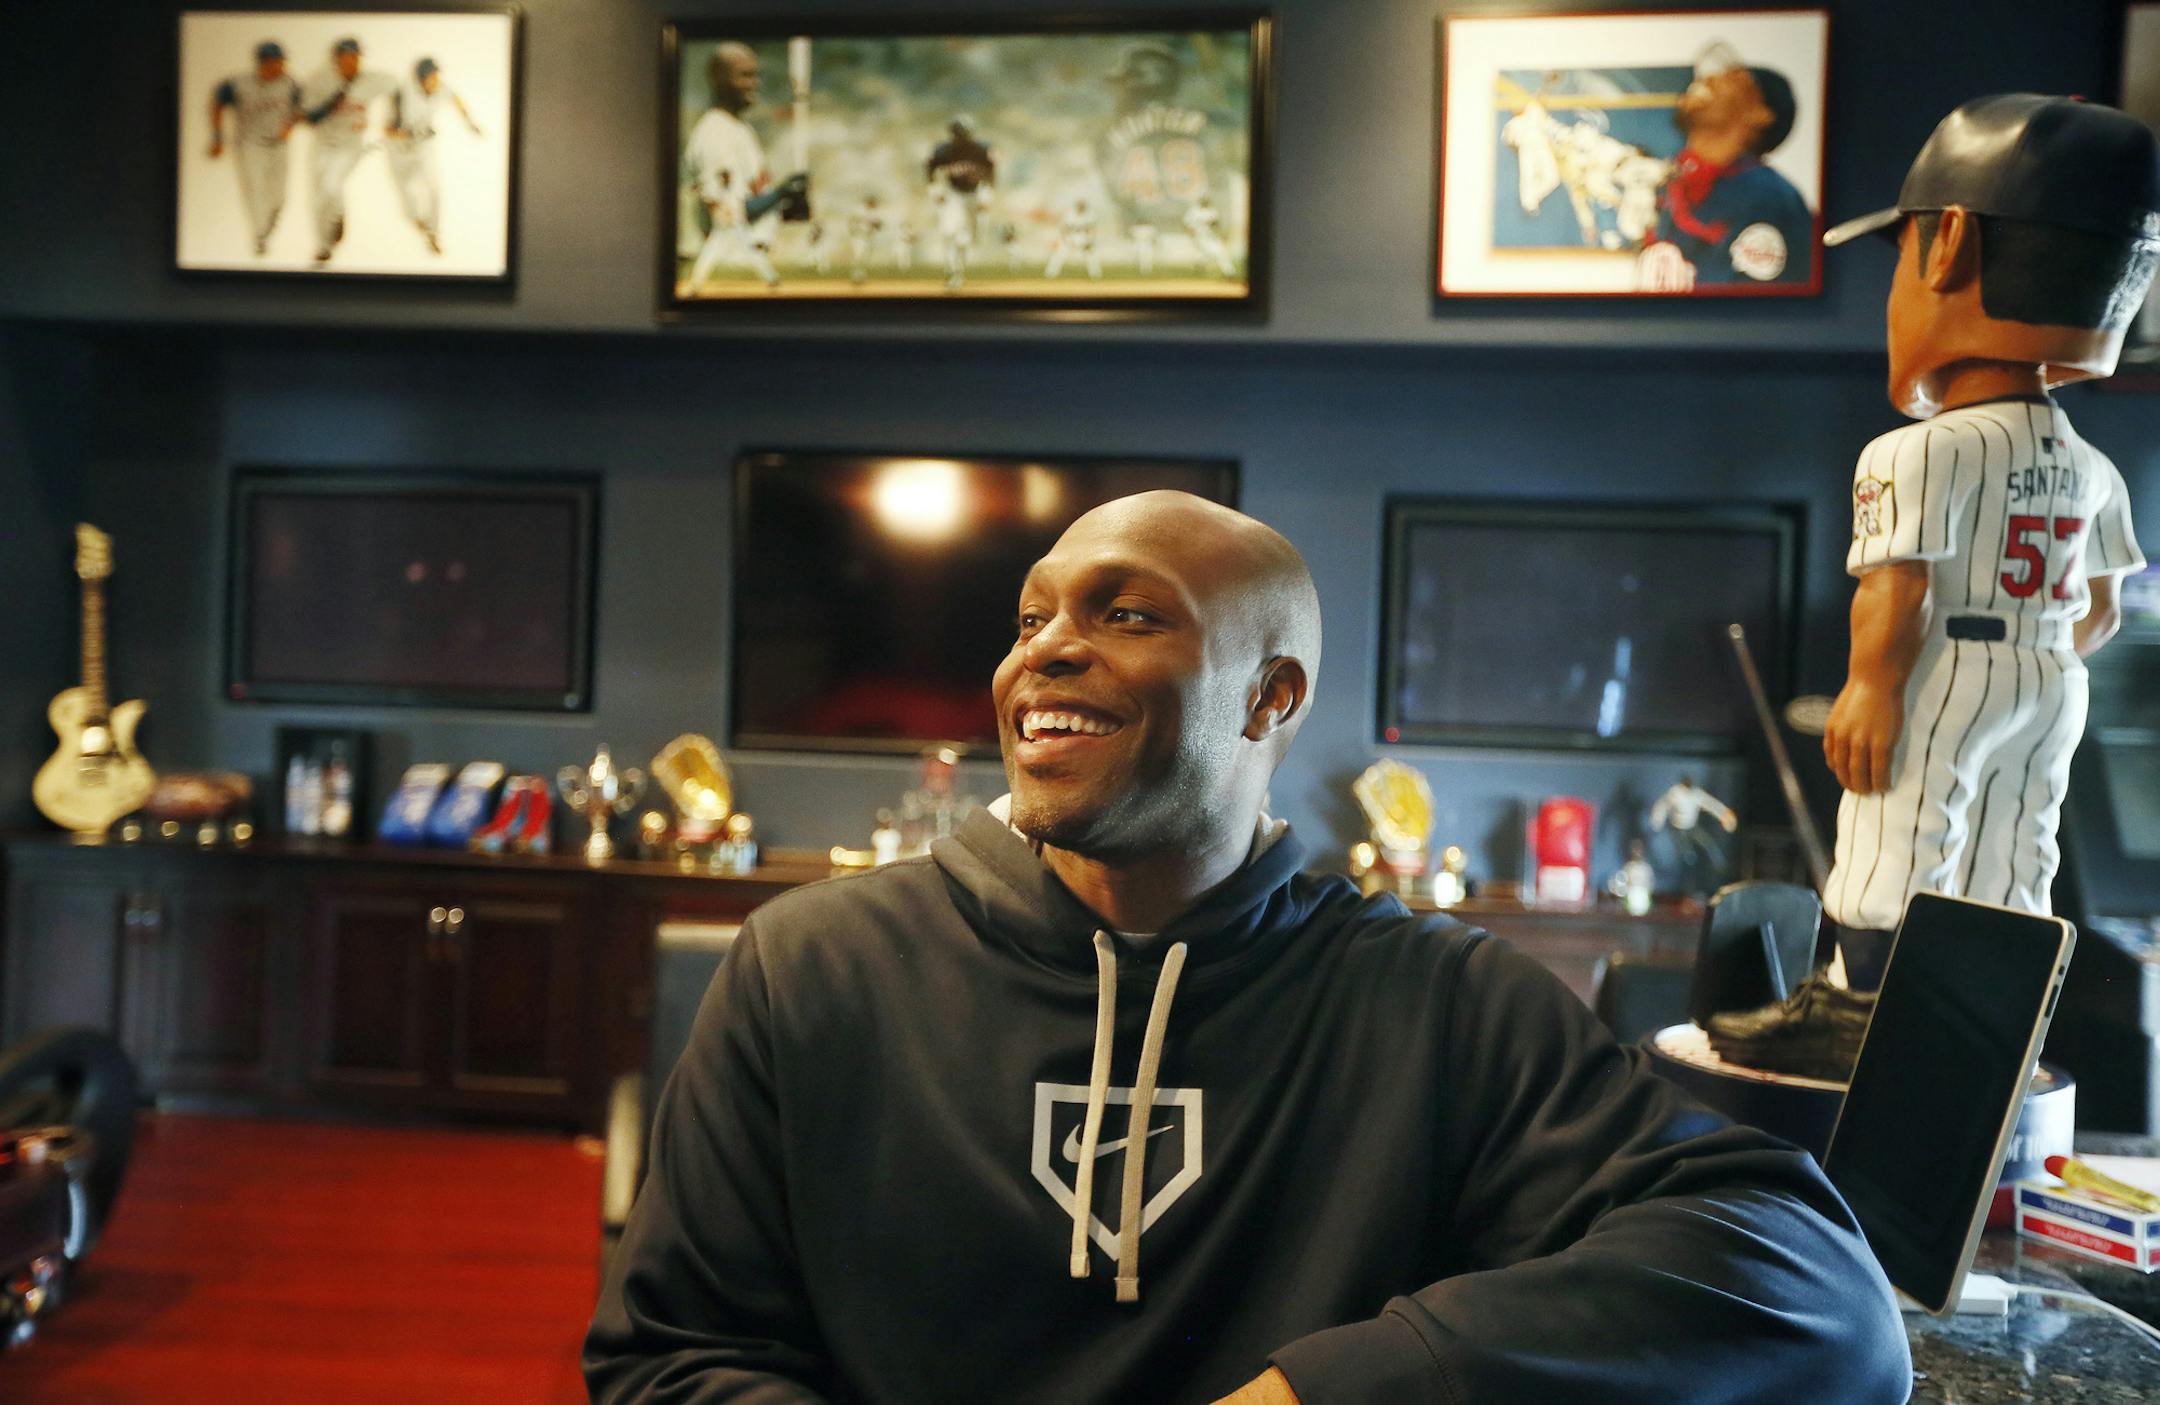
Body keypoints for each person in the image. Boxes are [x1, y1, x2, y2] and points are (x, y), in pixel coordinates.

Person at [587, 491, 1911, 1403]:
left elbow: (1820, 1299)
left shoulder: (1440, 1004)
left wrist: (1327, 1389)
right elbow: (670, 1351)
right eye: (1031, 616)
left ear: (1272, 693)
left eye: (1124, 614)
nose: (1043, 651)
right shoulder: (810, 968)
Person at [1820, 95, 2156, 954]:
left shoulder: (1916, 451)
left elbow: (1896, 591)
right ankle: (1999, 1027)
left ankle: (1855, 1010)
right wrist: (2034, 659)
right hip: (2051, 675)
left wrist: (1871, 687)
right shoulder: (2096, 467)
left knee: (1896, 845)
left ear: (1951, 246)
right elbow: (2104, 610)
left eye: (1903, 255)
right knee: (2012, 867)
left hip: (1952, 663)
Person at [1638, 40, 1813, 290]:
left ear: (1761, 114)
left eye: (1733, 78)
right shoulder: (1672, 184)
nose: (1709, 80)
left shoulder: (1769, 197)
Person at [682, 41, 807, 291]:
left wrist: (788, 203)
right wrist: (782, 193)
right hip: (730, 270)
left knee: (745, 252)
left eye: (755, 74)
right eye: (744, 75)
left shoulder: (741, 129)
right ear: (719, 78)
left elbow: (755, 195)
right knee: (719, 250)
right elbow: (732, 208)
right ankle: (696, 285)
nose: (755, 83)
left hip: (742, 250)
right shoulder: (714, 134)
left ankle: (765, 279)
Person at [299, 36, 397, 265]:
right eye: (348, 56)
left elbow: (398, 88)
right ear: (336, 59)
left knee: (331, 184)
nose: (353, 60)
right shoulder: (319, 81)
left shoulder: (372, 79)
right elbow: (308, 118)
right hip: (323, 144)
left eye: (356, 56)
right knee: (319, 197)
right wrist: (329, 105)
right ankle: (324, 246)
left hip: (351, 144)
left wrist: (394, 120)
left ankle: (338, 217)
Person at [206, 40, 300, 256]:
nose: (282, 66)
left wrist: (291, 124)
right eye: (277, 61)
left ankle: (267, 225)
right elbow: (217, 102)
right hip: (250, 144)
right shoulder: (238, 84)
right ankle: (260, 236)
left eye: (282, 61)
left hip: (278, 144)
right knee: (256, 191)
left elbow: (300, 108)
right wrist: (217, 137)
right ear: (264, 62)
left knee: (279, 197)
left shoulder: (290, 84)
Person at [382, 57, 481, 256]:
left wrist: (470, 122)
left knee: (434, 188)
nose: (435, 79)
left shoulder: (440, 89)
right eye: (431, 76)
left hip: (423, 146)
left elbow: (455, 99)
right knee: (408, 191)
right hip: (399, 150)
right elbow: (388, 129)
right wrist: (409, 134)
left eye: (437, 75)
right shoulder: (401, 94)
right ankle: (417, 220)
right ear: (420, 78)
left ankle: (433, 233)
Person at [926, 117, 996, 291]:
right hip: (953, 195)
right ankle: (954, 271)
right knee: (950, 234)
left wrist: (986, 196)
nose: (961, 136)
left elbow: (991, 173)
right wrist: (935, 191)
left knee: (965, 238)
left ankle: (958, 271)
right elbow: (930, 169)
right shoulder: (945, 150)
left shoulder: (981, 150)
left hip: (972, 195)